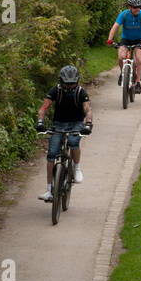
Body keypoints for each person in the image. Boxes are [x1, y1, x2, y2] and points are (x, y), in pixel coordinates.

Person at [35, 65, 92, 202]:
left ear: (77, 81)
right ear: (61, 81)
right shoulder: (56, 91)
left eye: (72, 83)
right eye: (67, 83)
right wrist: (40, 122)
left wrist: (88, 124)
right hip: (58, 124)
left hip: (76, 123)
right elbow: (44, 108)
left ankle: (77, 168)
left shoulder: (81, 92)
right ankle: (49, 190)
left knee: (73, 143)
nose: (70, 86)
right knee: (51, 155)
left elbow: (87, 109)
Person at [107, 0, 141, 93]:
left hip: (139, 39)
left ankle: (137, 81)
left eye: (138, 7)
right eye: (135, 7)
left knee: (139, 59)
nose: (137, 9)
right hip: (126, 39)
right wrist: (110, 39)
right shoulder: (124, 14)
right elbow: (115, 26)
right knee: (121, 57)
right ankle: (123, 74)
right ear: (129, 8)